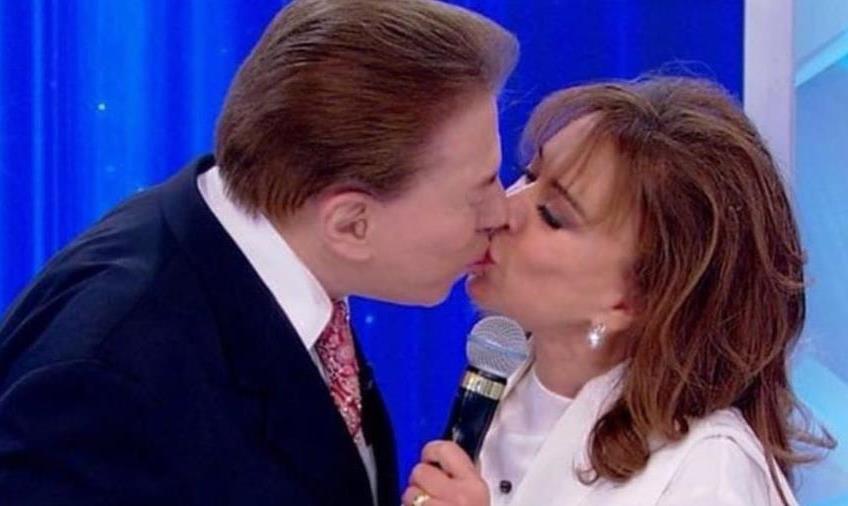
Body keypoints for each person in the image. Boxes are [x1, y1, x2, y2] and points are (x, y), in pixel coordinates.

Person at [0, 1, 518, 504]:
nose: (503, 212)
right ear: (350, 224)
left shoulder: (264, 256)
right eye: (480, 189)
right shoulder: (106, 386)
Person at [403, 76, 834, 506]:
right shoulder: (502, 393)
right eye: (528, 175)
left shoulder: (710, 470)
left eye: (552, 215)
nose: (502, 209)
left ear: (634, 298)